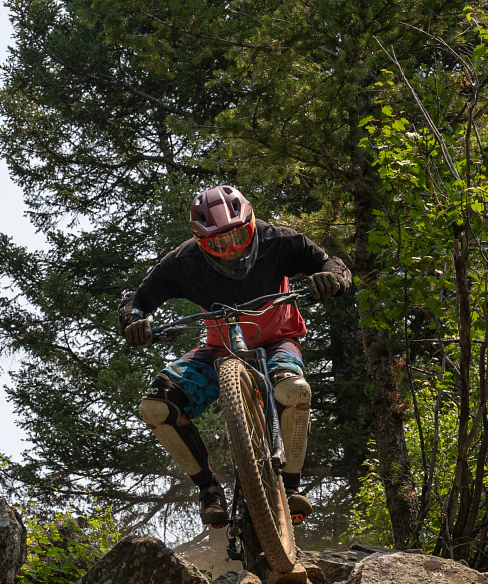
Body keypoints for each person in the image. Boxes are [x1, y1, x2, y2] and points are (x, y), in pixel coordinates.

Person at [121, 183, 351, 527]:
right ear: (200, 243)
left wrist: (330, 279)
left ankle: (289, 486)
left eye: (237, 237)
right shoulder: (184, 262)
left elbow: (333, 265)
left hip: (278, 340)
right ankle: (208, 489)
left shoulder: (281, 242)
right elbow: (137, 299)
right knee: (156, 407)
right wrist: (134, 321)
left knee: (294, 390)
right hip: (218, 348)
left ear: (252, 224)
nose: (229, 250)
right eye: (216, 244)